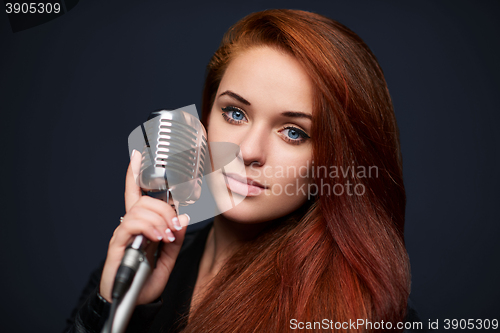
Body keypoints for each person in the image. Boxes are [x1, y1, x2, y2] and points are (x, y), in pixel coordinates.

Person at [65, 9, 420, 333]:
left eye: (293, 132)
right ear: (204, 118)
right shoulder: (138, 261)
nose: (248, 151)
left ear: (337, 162)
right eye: (235, 113)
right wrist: (117, 306)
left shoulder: (362, 315)